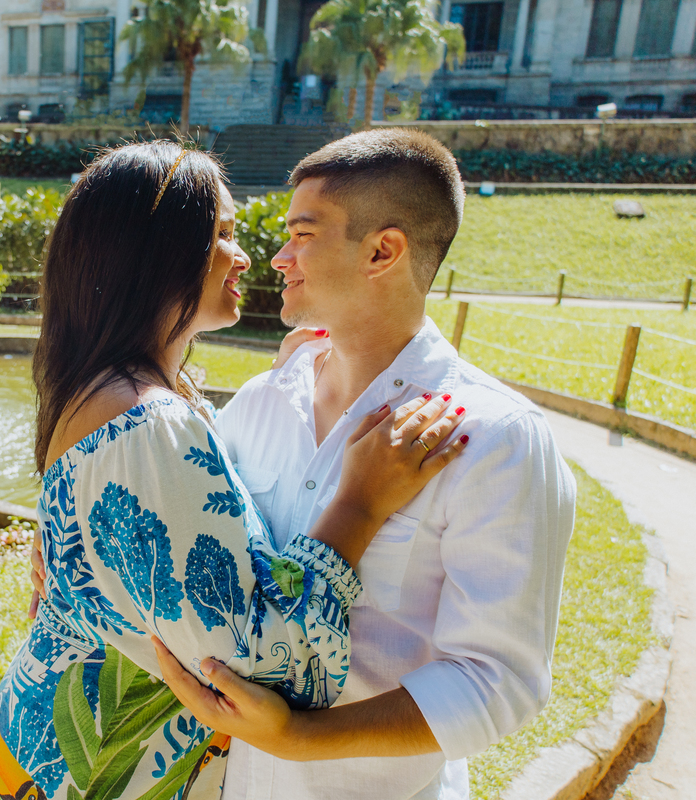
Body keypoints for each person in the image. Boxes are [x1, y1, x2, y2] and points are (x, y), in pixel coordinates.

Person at [0, 140, 468, 800]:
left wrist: (291, 376)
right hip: (95, 771)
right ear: (159, 252)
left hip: (51, 752)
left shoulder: (115, 394)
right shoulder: (148, 424)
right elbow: (264, 672)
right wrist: (361, 502)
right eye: (225, 235)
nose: (247, 257)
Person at [150, 128, 577, 800]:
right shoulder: (261, 402)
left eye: (303, 234)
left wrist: (300, 737)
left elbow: (498, 681)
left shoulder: (497, 441)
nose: (279, 256)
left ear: (382, 251)